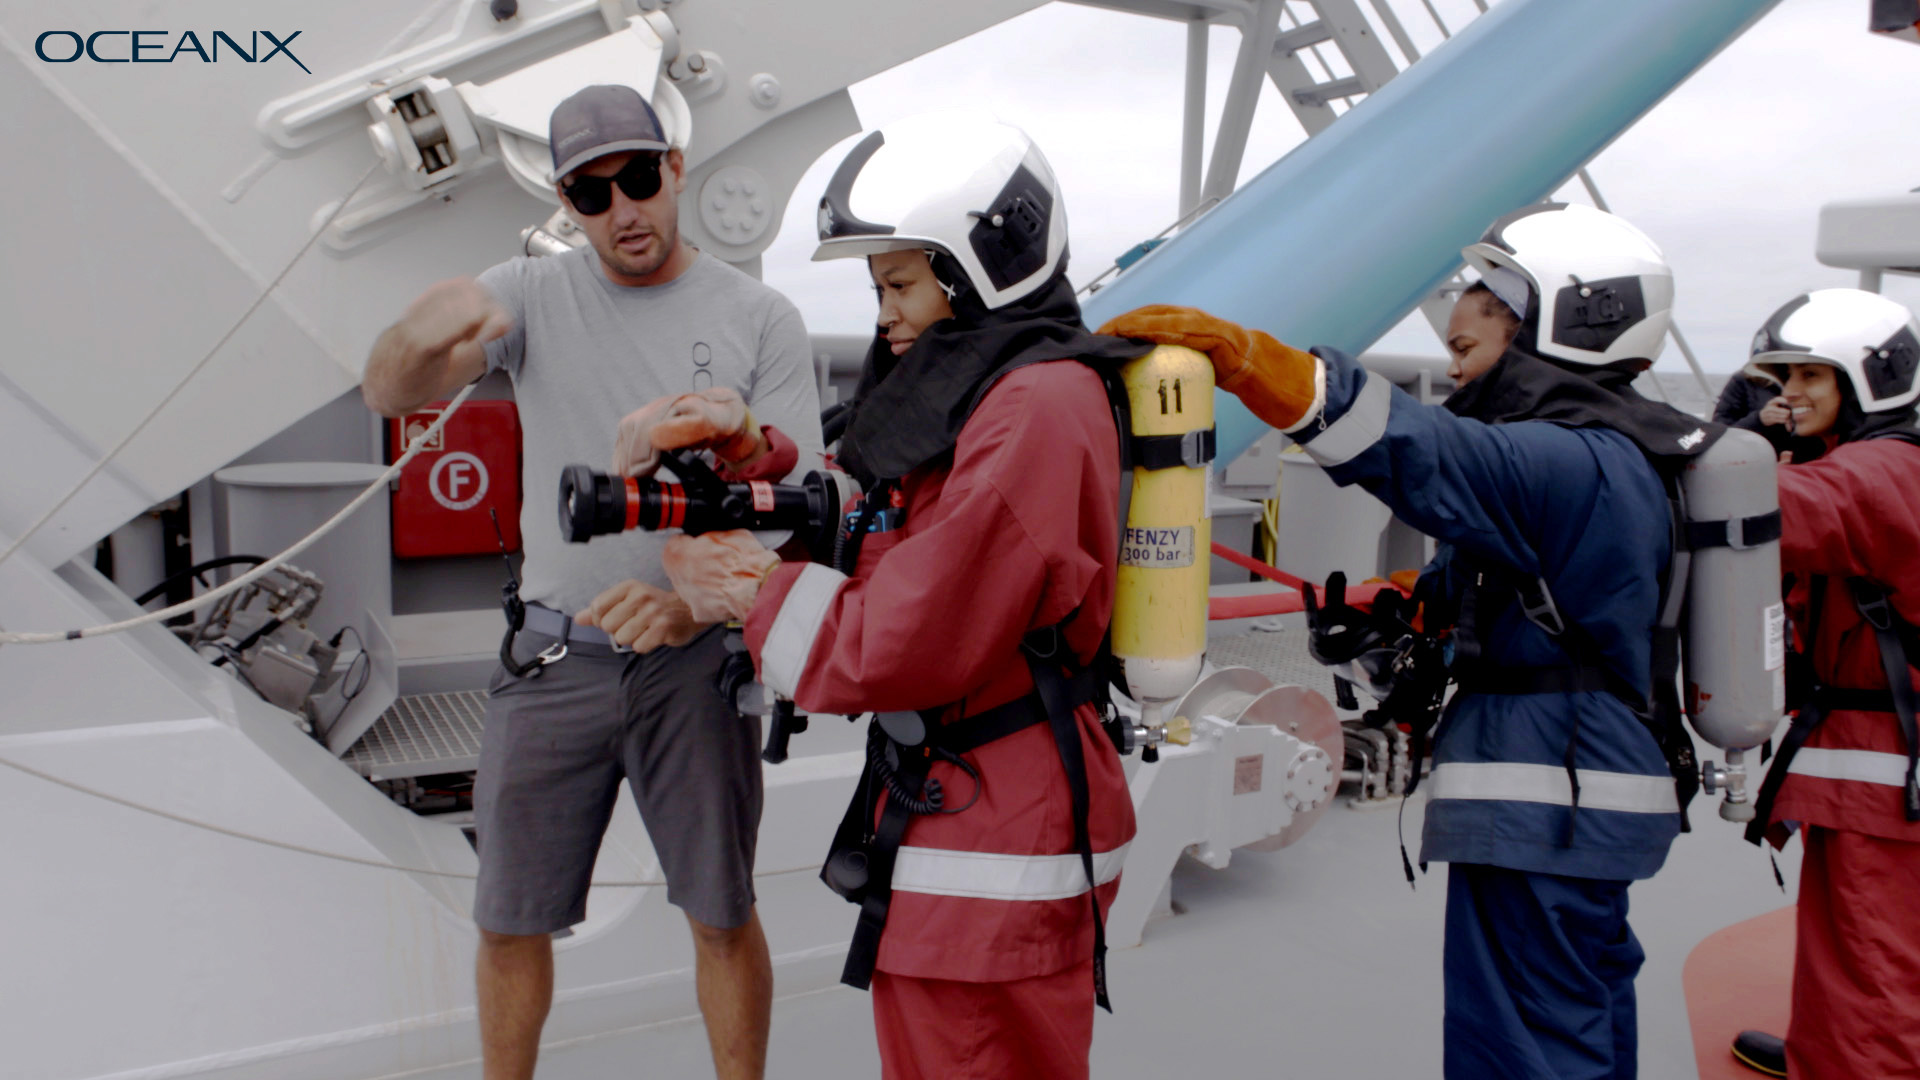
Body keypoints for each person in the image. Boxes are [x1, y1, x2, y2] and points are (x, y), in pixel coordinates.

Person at [1103, 204, 1719, 1080]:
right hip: (1583, 785)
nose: (1457, 317)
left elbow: (1417, 448)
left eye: (1489, 298)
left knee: (1525, 1046)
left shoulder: (1563, 459)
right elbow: (1543, 589)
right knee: (1580, 1010)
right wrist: (1407, 611)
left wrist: (1254, 362)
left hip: (1548, 793)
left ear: (1568, 320)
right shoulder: (1619, 456)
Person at [642, 113, 1146, 1080]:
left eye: (903, 284)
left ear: (978, 269)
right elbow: (880, 509)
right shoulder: (984, 391)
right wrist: (753, 454)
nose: (886, 317)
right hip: (975, 826)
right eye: (878, 290)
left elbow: (901, 640)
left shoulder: (1033, 409)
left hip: (994, 846)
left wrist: (745, 586)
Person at [359, 84, 822, 1080]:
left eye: (640, 179)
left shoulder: (762, 315)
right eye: (591, 192)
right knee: (508, 921)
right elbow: (390, 391)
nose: (623, 210)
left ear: (678, 169)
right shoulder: (525, 294)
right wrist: (418, 332)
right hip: (554, 655)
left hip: (697, 670)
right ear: (567, 203)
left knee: (722, 914)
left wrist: (692, 603)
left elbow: (801, 503)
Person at [1732, 288, 1920, 1079]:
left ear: (1869, 381)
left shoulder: (1877, 470)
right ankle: (1824, 1048)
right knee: (1864, 942)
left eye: (1813, 374)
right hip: (1874, 758)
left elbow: (1772, 512)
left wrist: (1722, 449)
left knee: (1868, 959)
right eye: (1782, 377)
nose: (1790, 393)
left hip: (1880, 764)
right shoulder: (1887, 462)